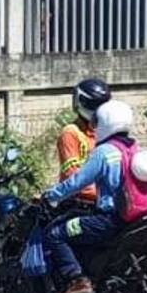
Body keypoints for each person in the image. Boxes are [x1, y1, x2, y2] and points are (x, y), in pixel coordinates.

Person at [40, 99, 147, 293]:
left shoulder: (105, 152)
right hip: (137, 218)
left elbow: (77, 181)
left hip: (108, 220)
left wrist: (52, 195)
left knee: (55, 233)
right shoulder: (134, 148)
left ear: (106, 123)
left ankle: (78, 281)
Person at [57, 78, 111, 206]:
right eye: (96, 105)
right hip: (79, 203)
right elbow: (74, 177)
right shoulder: (71, 133)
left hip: (106, 201)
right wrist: (105, 193)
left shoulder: (105, 131)